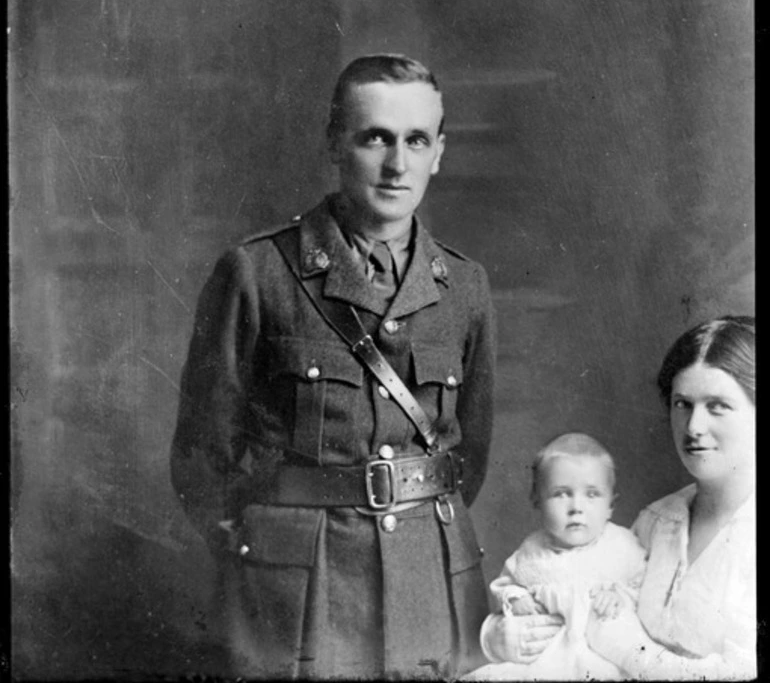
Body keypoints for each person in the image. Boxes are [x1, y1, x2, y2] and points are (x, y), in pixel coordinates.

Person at [170, 54, 498, 680]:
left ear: (439, 152)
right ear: (334, 144)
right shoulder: (257, 274)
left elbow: (468, 457)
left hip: (432, 580)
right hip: (298, 587)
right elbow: (201, 454)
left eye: (416, 140)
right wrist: (261, 554)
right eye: (375, 137)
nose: (398, 164)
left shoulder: (464, 286)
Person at [480, 316, 756, 681]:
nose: (693, 427)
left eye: (717, 405)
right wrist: (497, 637)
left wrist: (628, 650)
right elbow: (571, 587)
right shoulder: (658, 522)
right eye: (682, 404)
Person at [468, 433, 646, 681]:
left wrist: (619, 597)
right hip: (546, 661)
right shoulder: (532, 551)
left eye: (592, 494)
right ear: (537, 500)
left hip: (602, 660)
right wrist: (517, 598)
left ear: (610, 506)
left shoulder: (622, 546)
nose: (576, 507)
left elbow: (644, 588)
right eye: (561, 493)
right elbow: (505, 586)